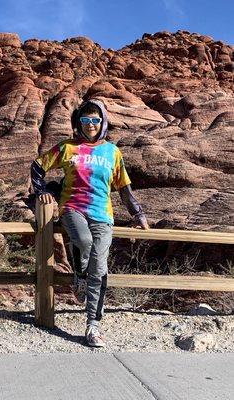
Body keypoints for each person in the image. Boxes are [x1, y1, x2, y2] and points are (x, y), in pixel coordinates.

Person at [31, 99, 149, 347]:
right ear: (78, 123)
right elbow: (38, 167)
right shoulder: (67, 147)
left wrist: (138, 215)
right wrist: (42, 192)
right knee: (83, 241)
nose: (91, 124)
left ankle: (92, 325)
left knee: (100, 267)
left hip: (103, 215)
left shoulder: (112, 152)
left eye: (95, 119)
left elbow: (124, 188)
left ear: (103, 121)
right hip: (73, 208)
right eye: (85, 120)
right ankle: (80, 276)